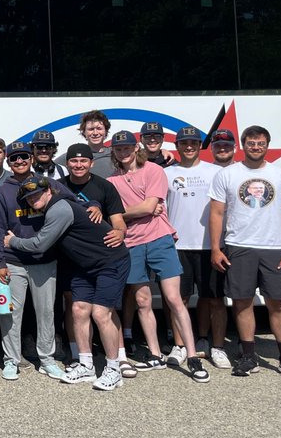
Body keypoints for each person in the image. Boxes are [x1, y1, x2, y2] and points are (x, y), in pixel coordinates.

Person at [5, 176, 131, 391]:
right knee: (79, 310)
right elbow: (82, 202)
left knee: (101, 314)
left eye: (37, 193)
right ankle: (86, 365)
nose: (33, 199)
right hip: (85, 265)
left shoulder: (59, 209)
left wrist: (12, 241)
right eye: (28, 197)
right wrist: (93, 203)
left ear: (49, 191)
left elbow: (40, 244)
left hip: (110, 261)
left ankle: (113, 369)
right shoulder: (60, 202)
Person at [209, 125, 281, 380]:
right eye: (252, 143)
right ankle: (248, 356)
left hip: (274, 248)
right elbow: (217, 213)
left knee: (277, 304)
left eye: (261, 143)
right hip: (239, 246)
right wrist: (215, 248)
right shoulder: (227, 175)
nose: (256, 147)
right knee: (242, 302)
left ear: (267, 145)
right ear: (244, 145)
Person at [106, 130, 208, 381]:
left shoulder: (153, 170)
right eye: (119, 149)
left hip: (160, 238)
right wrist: (132, 212)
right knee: (142, 301)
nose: (124, 152)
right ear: (114, 153)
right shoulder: (111, 182)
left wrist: (124, 212)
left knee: (174, 299)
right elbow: (121, 214)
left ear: (135, 148)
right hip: (131, 242)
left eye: (128, 148)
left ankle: (192, 355)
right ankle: (154, 354)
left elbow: (149, 206)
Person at [0, 140, 61, 380]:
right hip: (12, 262)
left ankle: (47, 358)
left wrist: (92, 204)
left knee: (46, 312)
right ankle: (12, 359)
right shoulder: (2, 192)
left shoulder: (47, 183)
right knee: (10, 313)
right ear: (9, 162)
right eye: (14, 158)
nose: (19, 161)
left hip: (44, 260)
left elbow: (71, 200)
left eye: (23, 157)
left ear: (31, 158)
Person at [164, 127, 231, 370]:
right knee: (178, 299)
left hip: (211, 246)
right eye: (184, 142)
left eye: (193, 142)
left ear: (199, 145)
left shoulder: (216, 172)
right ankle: (180, 346)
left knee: (214, 299)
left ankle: (217, 346)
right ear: (177, 146)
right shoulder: (167, 173)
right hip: (178, 245)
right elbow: (162, 209)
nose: (189, 146)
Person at [60, 143, 128, 370]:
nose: (78, 165)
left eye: (83, 161)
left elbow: (118, 221)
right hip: (74, 259)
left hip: (104, 257)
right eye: (73, 161)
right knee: (77, 307)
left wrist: (119, 233)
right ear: (67, 163)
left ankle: (120, 358)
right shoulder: (59, 188)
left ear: (91, 163)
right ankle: (80, 357)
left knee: (106, 309)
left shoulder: (104, 186)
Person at [78, 110, 115, 178]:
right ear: (84, 132)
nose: (95, 133)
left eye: (99, 128)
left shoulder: (116, 153)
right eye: (91, 129)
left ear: (106, 131)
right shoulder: (76, 155)